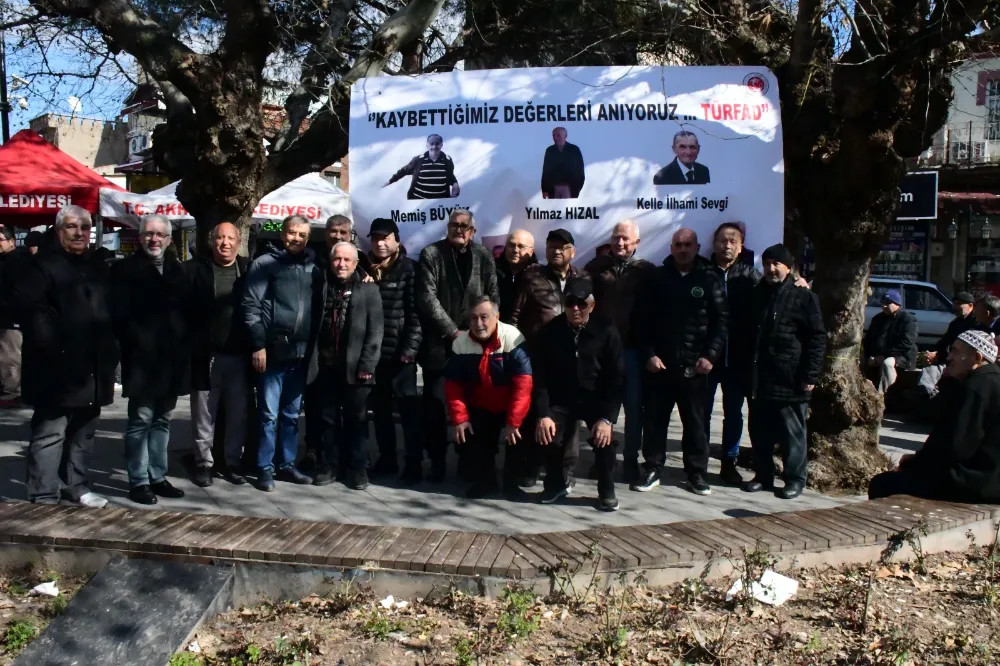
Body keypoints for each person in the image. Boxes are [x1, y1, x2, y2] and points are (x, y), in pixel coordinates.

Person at [11, 206, 119, 507]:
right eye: (72, 227)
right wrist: (56, 348)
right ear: (59, 231)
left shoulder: (97, 266)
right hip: (55, 369)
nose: (80, 233)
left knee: (83, 433)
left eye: (85, 227)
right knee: (50, 434)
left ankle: (77, 485)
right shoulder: (40, 267)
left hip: (94, 369)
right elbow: (33, 314)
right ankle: (43, 494)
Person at [634, 228, 728, 496]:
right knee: (654, 421)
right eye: (678, 244)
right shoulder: (656, 278)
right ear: (671, 247)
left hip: (695, 367)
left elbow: (722, 322)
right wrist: (649, 354)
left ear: (697, 247)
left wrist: (710, 356)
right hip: (659, 366)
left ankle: (696, 473)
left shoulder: (709, 278)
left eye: (688, 244)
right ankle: (652, 468)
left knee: (696, 423)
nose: (683, 249)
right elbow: (642, 321)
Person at [110, 215, 191, 505]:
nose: (154, 239)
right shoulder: (124, 270)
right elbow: (119, 316)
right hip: (141, 362)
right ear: (139, 237)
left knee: (162, 421)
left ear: (169, 239)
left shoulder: (177, 271)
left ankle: (157, 476)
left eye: (160, 234)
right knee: (140, 420)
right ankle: (138, 480)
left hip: (170, 363)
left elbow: (187, 316)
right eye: (148, 234)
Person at [868, 329, 1000, 503]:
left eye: (956, 352)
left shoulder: (975, 388)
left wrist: (915, 463)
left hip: (974, 482)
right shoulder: (990, 380)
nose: (949, 357)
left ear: (977, 357)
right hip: (989, 479)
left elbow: (953, 448)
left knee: (882, 484)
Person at [416, 209, 499, 482]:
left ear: (473, 231)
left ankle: (467, 463)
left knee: (472, 408)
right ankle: (437, 463)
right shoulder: (432, 254)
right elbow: (427, 298)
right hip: (440, 346)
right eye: (454, 225)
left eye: (465, 226)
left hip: (475, 345)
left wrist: (479, 331)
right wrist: (453, 333)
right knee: (435, 410)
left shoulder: (484, 256)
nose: (459, 229)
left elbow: (493, 295)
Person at [243, 214, 323, 491]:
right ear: (282, 234)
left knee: (291, 415)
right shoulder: (265, 264)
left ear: (307, 238)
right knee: (268, 415)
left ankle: (286, 463)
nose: (296, 238)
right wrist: (258, 345)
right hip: (273, 351)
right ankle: (264, 467)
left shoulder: (315, 267)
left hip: (301, 354)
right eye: (292, 233)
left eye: (302, 235)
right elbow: (250, 307)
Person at [533, 278, 624, 511]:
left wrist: (607, 419)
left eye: (581, 304)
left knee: (605, 439)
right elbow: (540, 377)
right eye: (570, 302)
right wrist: (543, 414)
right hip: (561, 398)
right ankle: (556, 484)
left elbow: (616, 378)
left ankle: (606, 489)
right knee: (547, 433)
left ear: (591, 306)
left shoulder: (606, 330)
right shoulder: (550, 331)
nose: (575, 308)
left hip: (594, 398)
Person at [743, 244, 826, 500]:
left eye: (776, 264)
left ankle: (795, 479)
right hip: (761, 377)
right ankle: (763, 475)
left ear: (788, 267)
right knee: (760, 431)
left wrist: (810, 375)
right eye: (766, 263)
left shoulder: (804, 297)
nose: (770, 269)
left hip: (790, 378)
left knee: (793, 433)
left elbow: (817, 338)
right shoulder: (757, 293)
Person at [510, 228, 587, 487]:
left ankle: (565, 470)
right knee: (534, 412)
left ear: (572, 252)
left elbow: (590, 314)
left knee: (570, 415)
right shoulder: (532, 276)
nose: (556, 251)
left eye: (562, 247)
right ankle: (530, 466)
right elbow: (514, 316)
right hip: (535, 356)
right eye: (552, 246)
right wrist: (513, 351)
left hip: (570, 358)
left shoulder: (583, 278)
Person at [307, 242, 383, 490]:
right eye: (337, 259)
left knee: (357, 420)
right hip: (325, 365)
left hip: (357, 367)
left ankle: (357, 467)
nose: (341, 264)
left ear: (355, 263)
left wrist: (368, 364)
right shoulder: (320, 285)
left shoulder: (369, 290)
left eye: (347, 260)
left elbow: (375, 332)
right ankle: (329, 464)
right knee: (327, 418)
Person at [584, 220, 655, 483]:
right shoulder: (596, 267)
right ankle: (602, 459)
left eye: (626, 239)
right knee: (600, 408)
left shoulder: (647, 271)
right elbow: (578, 292)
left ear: (636, 243)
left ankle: (631, 461)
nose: (620, 243)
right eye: (616, 238)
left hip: (633, 351)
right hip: (602, 351)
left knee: (634, 410)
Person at [444, 294, 532, 498]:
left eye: (484, 317)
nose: (478, 323)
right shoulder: (460, 343)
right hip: (480, 404)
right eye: (473, 318)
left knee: (517, 439)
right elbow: (453, 385)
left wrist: (514, 421)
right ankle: (486, 482)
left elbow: (524, 384)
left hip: (510, 403)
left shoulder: (513, 338)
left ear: (497, 316)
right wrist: (460, 419)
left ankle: (512, 483)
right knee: (478, 442)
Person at [187, 221, 252, 487]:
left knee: (238, 414)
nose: (225, 243)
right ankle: (203, 463)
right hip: (206, 355)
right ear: (211, 241)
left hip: (239, 355)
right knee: (204, 415)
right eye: (220, 238)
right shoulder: (195, 270)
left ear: (239, 242)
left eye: (230, 238)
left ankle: (233, 462)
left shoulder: (248, 269)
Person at [362, 218, 423, 484]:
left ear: (397, 240)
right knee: (381, 411)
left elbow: (416, 314)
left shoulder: (409, 269)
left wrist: (410, 348)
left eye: (386, 238)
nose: (380, 243)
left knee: (409, 413)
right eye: (376, 238)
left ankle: (413, 463)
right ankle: (387, 459)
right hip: (373, 354)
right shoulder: (361, 267)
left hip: (401, 355)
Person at [302, 214, 364, 474]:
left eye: (343, 232)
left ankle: (353, 463)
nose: (337, 236)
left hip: (351, 359)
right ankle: (319, 456)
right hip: (321, 356)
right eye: (333, 231)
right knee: (320, 413)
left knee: (353, 416)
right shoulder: (312, 261)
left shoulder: (362, 270)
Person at [701, 222, 762, 486]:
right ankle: (698, 461)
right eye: (722, 241)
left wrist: (798, 281)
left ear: (740, 247)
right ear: (713, 244)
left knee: (734, 413)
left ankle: (729, 461)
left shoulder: (750, 277)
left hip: (738, 358)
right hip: (707, 357)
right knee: (701, 412)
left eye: (732, 241)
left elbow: (776, 293)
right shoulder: (702, 273)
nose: (727, 245)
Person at [918, 291, 977, 397]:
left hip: (962, 362)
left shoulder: (975, 323)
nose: (955, 307)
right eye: (954, 303)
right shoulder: (956, 323)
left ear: (970, 306)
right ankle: (925, 397)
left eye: (959, 304)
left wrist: (940, 355)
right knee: (929, 371)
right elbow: (944, 342)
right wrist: (933, 353)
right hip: (948, 360)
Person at [863, 289, 918, 394]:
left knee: (887, 363)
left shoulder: (908, 319)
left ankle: (888, 395)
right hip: (879, 355)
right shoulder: (877, 319)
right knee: (861, 361)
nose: (884, 305)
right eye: (883, 302)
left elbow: (906, 343)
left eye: (888, 303)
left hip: (903, 357)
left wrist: (884, 356)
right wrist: (870, 356)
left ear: (897, 304)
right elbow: (868, 339)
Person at [384, 134, 460, 200]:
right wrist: (390, 181)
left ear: (441, 145)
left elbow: (450, 175)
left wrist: (455, 183)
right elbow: (403, 171)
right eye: (432, 144)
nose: (434, 146)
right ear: (427, 145)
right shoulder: (418, 160)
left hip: (439, 202)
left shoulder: (447, 160)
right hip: (418, 200)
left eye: (437, 144)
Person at [0, 226, 28, 406]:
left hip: (11, 318)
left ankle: (12, 392)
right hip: (5, 317)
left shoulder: (17, 262)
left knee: (10, 356)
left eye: (1, 239)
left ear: (11, 242)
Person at [494, 229, 536, 324]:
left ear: (531, 251)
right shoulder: (490, 271)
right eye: (511, 245)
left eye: (521, 246)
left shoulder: (539, 276)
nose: (515, 250)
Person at [540, 127, 585, 199]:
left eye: (558, 135)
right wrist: (544, 189)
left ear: (565, 136)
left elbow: (580, 169)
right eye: (553, 135)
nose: (555, 138)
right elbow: (546, 171)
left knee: (569, 209)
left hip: (571, 188)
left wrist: (577, 187)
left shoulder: (574, 149)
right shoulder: (550, 150)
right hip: (553, 189)